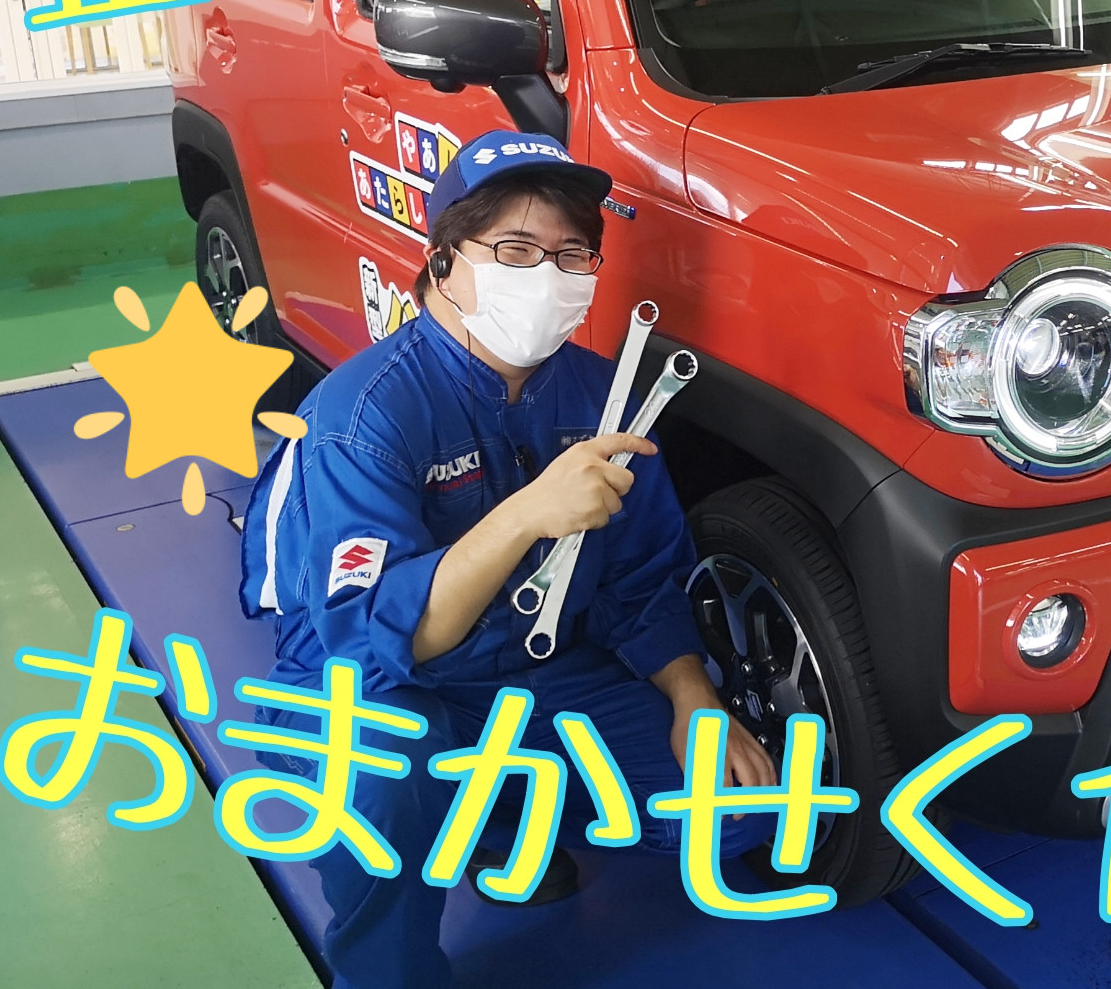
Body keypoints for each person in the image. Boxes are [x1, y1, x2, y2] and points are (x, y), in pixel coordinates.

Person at [237, 129, 775, 989]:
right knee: (384, 784)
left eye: (571, 254)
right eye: (516, 250)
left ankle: (505, 807)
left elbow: (643, 579)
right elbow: (384, 637)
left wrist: (694, 700)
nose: (547, 275)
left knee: (735, 815)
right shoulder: (363, 415)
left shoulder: (601, 394)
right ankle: (388, 969)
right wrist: (527, 513)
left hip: (545, 667)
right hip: (379, 683)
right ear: (444, 261)